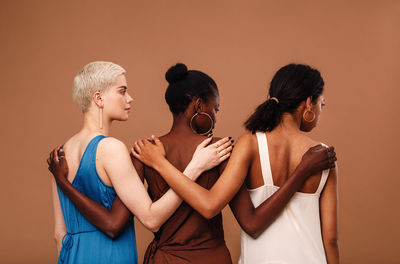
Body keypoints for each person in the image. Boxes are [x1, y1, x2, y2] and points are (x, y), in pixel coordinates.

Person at [132, 64, 339, 263]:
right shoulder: (323, 156)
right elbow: (330, 240)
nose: (216, 116)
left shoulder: (249, 143)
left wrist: (160, 163)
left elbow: (127, 219)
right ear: (309, 102)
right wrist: (302, 171)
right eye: (216, 109)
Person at [47, 61, 232, 264]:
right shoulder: (111, 148)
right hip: (109, 256)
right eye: (122, 91)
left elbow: (59, 234)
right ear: (98, 98)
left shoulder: (60, 155)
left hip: (72, 256)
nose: (130, 98)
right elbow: (150, 219)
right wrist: (194, 167)